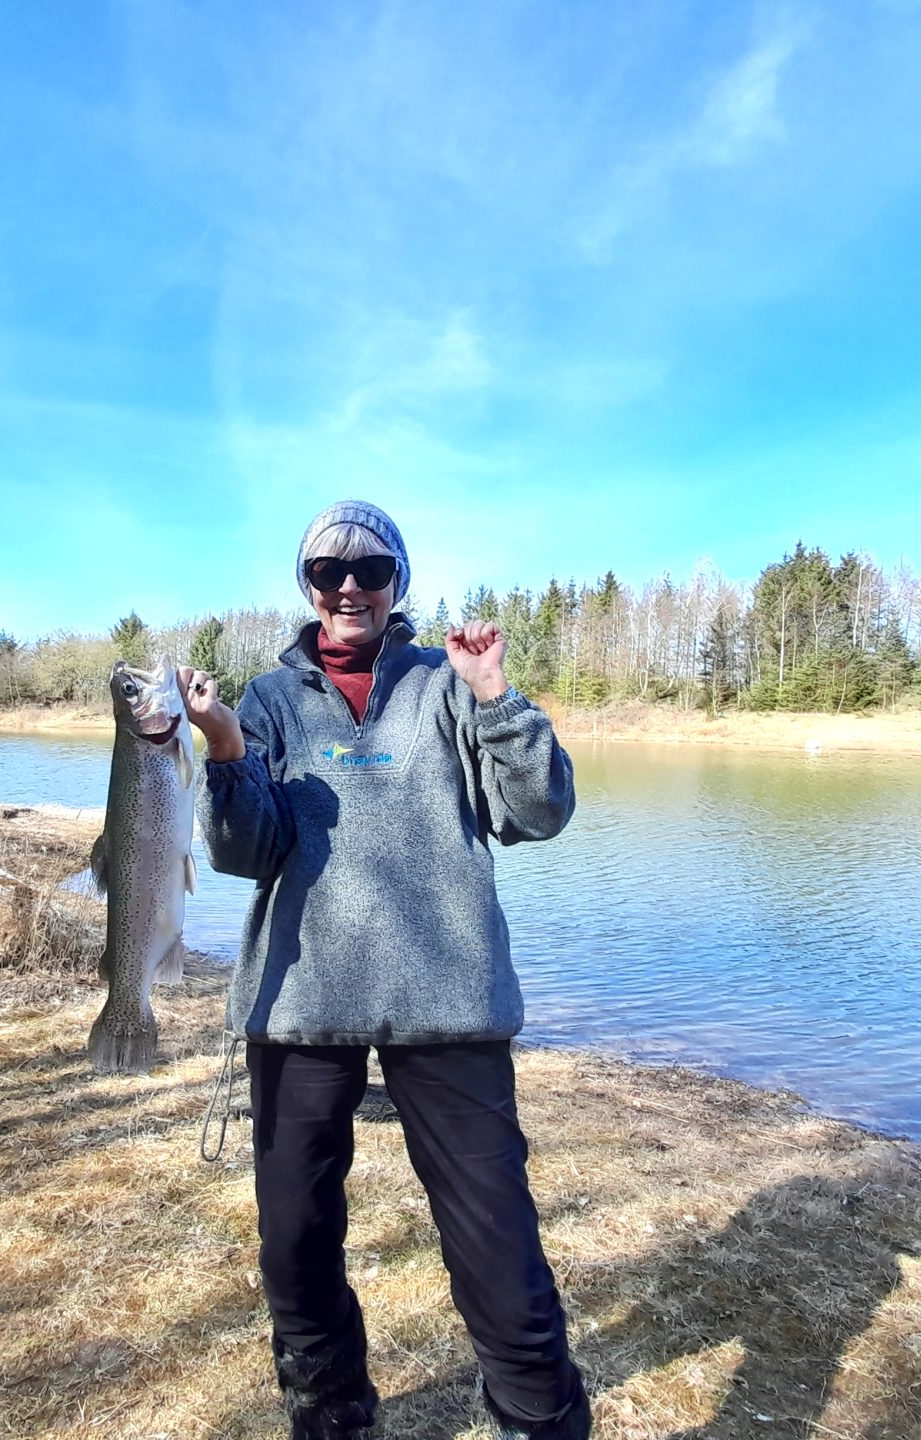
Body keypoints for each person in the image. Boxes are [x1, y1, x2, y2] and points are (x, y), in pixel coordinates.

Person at [180, 500, 590, 1439]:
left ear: (397, 581)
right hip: (300, 1003)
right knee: (294, 1245)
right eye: (330, 574)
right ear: (309, 590)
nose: (350, 587)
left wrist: (495, 696)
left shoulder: (446, 684)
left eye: (370, 569)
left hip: (449, 1002)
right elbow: (246, 851)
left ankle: (540, 1419)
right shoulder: (270, 700)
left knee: (499, 1250)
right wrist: (226, 748)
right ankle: (330, 1416)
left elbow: (539, 813)